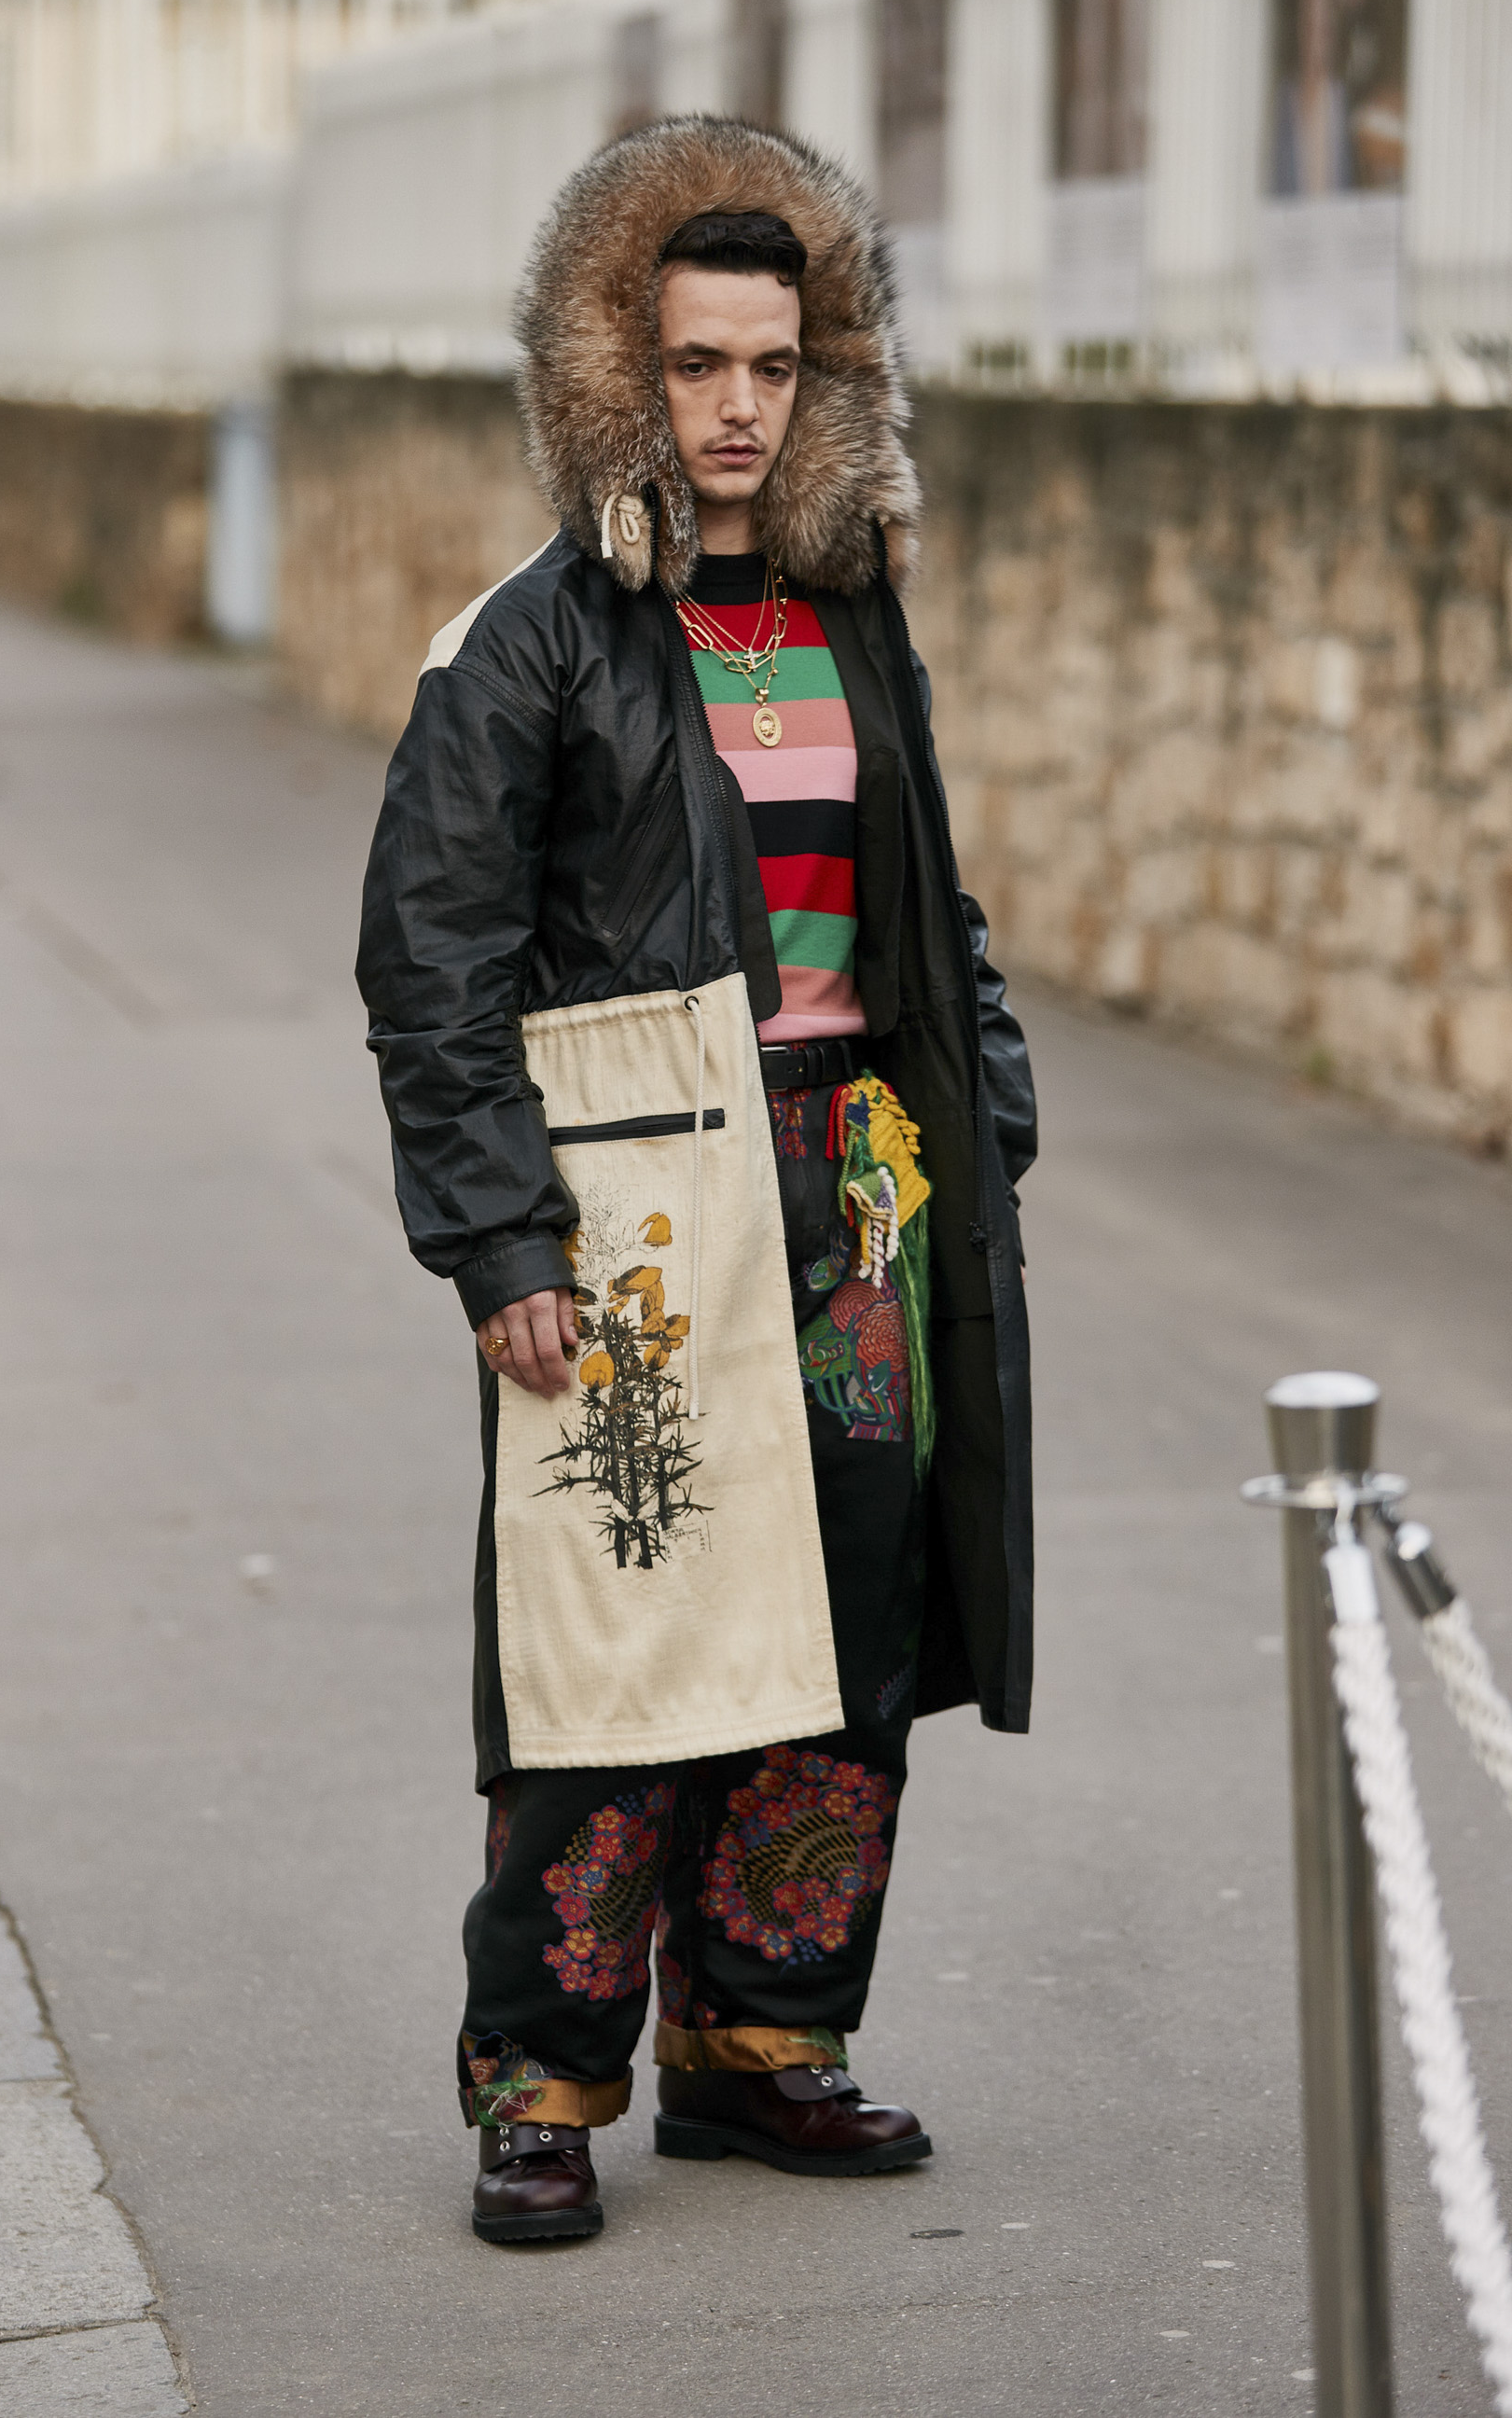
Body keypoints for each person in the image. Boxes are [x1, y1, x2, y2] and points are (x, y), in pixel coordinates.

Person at [356, 115, 1035, 2246]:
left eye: (773, 364)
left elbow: (927, 899)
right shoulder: (530, 637)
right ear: (615, 371)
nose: (737, 406)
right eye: (695, 364)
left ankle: (761, 2047)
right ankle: (541, 2083)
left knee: (852, 1622)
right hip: (634, 1201)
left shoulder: (852, 614)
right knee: (617, 1638)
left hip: (863, 1185)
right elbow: (433, 960)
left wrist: (989, 1108)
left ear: (821, 378)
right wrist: (498, 1234)